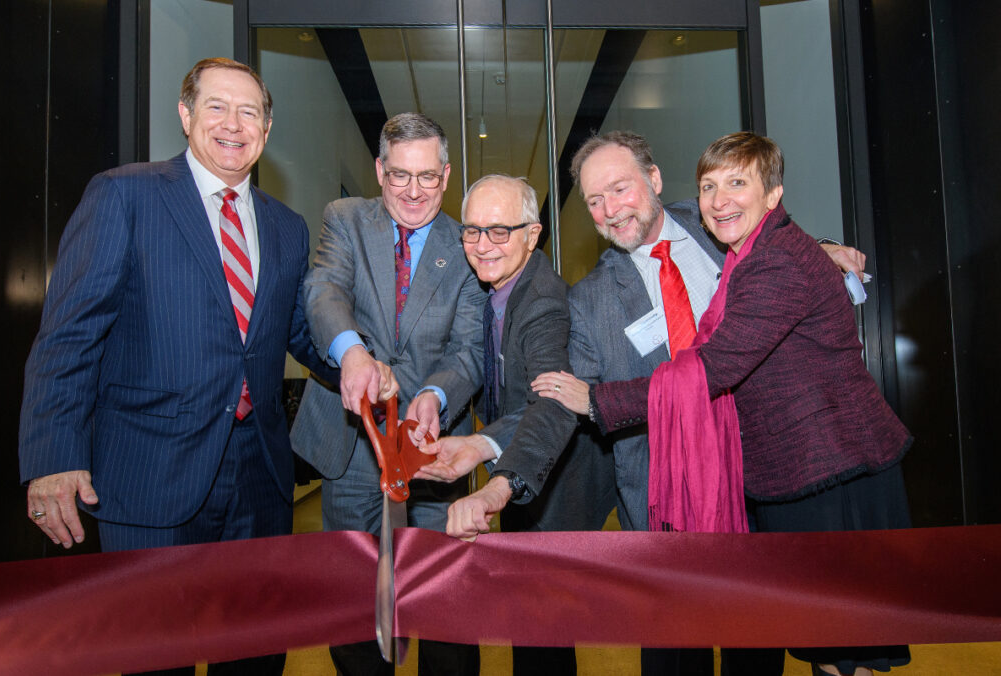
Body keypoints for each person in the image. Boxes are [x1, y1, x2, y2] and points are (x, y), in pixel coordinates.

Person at [17, 58, 385, 675]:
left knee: (256, 654)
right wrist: (53, 456)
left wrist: (359, 359)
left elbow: (295, 332)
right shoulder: (124, 195)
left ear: (266, 130)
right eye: (217, 106)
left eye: (249, 112)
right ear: (186, 115)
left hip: (260, 481)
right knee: (154, 653)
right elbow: (68, 336)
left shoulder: (286, 226)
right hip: (149, 481)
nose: (233, 124)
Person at [536, 132, 911, 676]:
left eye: (619, 188)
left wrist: (823, 248)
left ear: (654, 180)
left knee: (787, 641)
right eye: (594, 200)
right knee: (680, 654)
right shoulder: (589, 300)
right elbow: (563, 400)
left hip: (780, 475)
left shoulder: (717, 223)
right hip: (673, 496)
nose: (610, 209)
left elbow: (772, 250)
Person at [289, 112, 482, 676]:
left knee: (444, 602)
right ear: (379, 170)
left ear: (446, 176)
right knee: (354, 602)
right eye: (400, 175)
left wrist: (435, 397)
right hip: (353, 447)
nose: (413, 191)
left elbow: (469, 346)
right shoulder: (345, 219)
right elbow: (324, 289)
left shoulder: (467, 243)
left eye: (427, 177)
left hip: (432, 447)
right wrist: (351, 352)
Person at [414, 174, 616, 674]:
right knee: (532, 623)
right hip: (525, 469)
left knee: (541, 630)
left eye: (500, 231)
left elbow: (549, 401)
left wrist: (488, 462)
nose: (483, 245)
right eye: (472, 230)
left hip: (553, 483)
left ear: (533, 234)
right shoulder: (500, 290)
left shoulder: (542, 302)